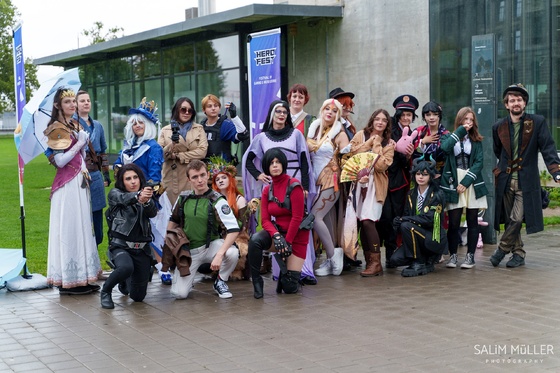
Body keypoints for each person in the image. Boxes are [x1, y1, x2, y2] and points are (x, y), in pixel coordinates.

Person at [242, 99, 317, 285]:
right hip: (274, 183)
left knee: (299, 224)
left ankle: (303, 270)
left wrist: (305, 186)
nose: (282, 115)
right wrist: (259, 175)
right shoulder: (262, 138)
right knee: (278, 222)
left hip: (295, 180)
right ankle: (281, 270)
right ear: (272, 114)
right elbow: (249, 160)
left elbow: (304, 160)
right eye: (278, 111)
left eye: (285, 112)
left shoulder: (296, 134)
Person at [491, 83, 560, 268]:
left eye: (519, 100)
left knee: (516, 218)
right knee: (509, 219)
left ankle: (502, 249)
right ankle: (518, 254)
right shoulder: (498, 126)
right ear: (506, 104)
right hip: (505, 181)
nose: (516, 103)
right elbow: (498, 152)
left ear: (525, 103)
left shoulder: (537, 122)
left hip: (526, 180)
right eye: (512, 100)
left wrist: (556, 171)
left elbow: (548, 147)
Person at [43, 87, 102, 294]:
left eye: (73, 101)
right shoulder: (56, 128)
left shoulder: (73, 125)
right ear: (58, 105)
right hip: (67, 186)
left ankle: (82, 277)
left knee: (83, 227)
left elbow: (79, 156)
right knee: (71, 229)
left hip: (80, 182)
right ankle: (69, 281)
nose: (73, 105)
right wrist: (80, 144)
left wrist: (81, 143)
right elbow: (60, 161)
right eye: (67, 102)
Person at [166, 160, 240, 299]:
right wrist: (170, 244)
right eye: (195, 177)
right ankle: (189, 280)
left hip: (211, 246)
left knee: (232, 253)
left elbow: (233, 229)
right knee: (179, 294)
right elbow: (173, 221)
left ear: (207, 175)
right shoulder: (183, 198)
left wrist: (219, 255)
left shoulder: (218, 200)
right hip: (189, 252)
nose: (199, 180)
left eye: (202, 175)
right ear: (189, 179)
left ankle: (221, 281)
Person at [114, 97, 168, 284]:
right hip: (128, 197)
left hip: (148, 196)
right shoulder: (128, 146)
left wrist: (145, 195)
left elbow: (154, 176)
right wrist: (119, 166)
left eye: (141, 123)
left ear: (148, 125)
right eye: (134, 123)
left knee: (153, 232)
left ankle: (163, 267)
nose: (137, 126)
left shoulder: (153, 147)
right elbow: (117, 168)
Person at [247, 149, 309, 298]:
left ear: (283, 164)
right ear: (267, 167)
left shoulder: (295, 185)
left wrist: (286, 243)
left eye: (278, 162)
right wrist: (276, 235)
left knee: (289, 289)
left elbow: (297, 217)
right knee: (255, 240)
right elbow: (265, 220)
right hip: (279, 234)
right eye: (271, 163)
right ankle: (256, 280)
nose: (275, 165)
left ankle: (285, 273)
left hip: (296, 237)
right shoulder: (267, 189)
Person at [345, 109, 395, 276]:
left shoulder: (389, 144)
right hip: (358, 184)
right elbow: (351, 154)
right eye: (377, 119)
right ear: (372, 120)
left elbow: (381, 166)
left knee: (368, 221)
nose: (380, 122)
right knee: (361, 222)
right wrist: (368, 142)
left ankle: (376, 263)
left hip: (376, 186)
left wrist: (377, 144)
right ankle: (369, 263)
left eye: (384, 120)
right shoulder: (360, 135)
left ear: (387, 124)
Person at [100, 164, 158, 309]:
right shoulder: (115, 194)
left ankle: (125, 281)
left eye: (135, 177)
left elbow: (152, 213)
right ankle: (106, 291)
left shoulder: (147, 197)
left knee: (138, 297)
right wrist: (138, 196)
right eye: (128, 179)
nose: (133, 181)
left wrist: (145, 201)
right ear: (122, 181)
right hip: (121, 245)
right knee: (126, 267)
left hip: (142, 249)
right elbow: (123, 198)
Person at [440, 107, 488, 269]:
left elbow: (479, 163)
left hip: (471, 181)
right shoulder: (449, 137)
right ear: (459, 121)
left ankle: (470, 256)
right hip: (453, 181)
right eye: (465, 119)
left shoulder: (476, 140)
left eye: (471, 119)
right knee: (453, 221)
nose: (468, 122)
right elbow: (444, 149)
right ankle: (453, 256)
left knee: (472, 221)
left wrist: (466, 182)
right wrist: (460, 132)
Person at [307, 98, 350, 276]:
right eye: (327, 108)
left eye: (334, 110)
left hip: (330, 179)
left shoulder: (340, 133)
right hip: (314, 181)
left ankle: (334, 255)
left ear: (338, 114)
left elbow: (350, 155)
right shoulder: (314, 129)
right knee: (326, 221)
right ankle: (330, 258)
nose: (329, 112)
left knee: (315, 217)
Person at [378, 94, 419, 268]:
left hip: (401, 182)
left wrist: (409, 155)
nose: (405, 117)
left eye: (409, 115)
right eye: (403, 114)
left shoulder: (412, 133)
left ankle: (392, 253)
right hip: (384, 178)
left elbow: (409, 161)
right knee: (385, 217)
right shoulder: (390, 130)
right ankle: (381, 253)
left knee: (397, 216)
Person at [391, 157, 447, 277]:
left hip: (432, 236)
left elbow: (429, 219)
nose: (421, 177)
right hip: (415, 234)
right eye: (418, 174)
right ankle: (424, 259)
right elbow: (406, 214)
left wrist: (404, 220)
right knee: (395, 260)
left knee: (406, 225)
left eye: (425, 174)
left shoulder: (437, 194)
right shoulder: (411, 194)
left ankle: (420, 262)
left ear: (431, 176)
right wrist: (398, 222)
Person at [74, 90, 111, 252]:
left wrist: (106, 174)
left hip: (95, 174)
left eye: (88, 100)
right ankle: (83, 252)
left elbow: (103, 151)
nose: (86, 103)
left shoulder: (98, 125)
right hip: (79, 173)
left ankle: (95, 249)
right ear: (76, 104)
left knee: (97, 212)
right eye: (82, 101)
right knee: (82, 212)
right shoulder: (71, 124)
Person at [158, 97, 208, 206]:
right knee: (173, 213)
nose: (186, 113)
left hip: (194, 176)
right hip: (173, 177)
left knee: (194, 210)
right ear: (176, 110)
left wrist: (179, 156)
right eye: (183, 109)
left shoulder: (199, 128)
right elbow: (159, 155)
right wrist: (172, 144)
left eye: (190, 110)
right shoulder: (165, 130)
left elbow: (202, 152)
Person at [209, 157, 251, 280]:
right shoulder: (213, 200)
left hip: (237, 235)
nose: (220, 181)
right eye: (217, 179)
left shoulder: (239, 200)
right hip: (219, 235)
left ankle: (235, 270)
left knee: (237, 248)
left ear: (230, 179)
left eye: (224, 177)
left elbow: (243, 225)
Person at [200, 94, 248, 162]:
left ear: (219, 108)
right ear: (203, 110)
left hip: (222, 169)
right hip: (203, 169)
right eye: (209, 106)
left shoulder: (225, 125)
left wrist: (234, 116)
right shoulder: (200, 126)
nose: (213, 108)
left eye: (216, 105)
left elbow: (243, 135)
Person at [413, 101, 449, 173]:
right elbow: (413, 155)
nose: (431, 117)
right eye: (428, 115)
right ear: (424, 117)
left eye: (435, 114)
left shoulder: (446, 134)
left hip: (440, 174)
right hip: (421, 174)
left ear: (439, 116)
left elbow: (448, 158)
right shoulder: (418, 131)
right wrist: (422, 142)